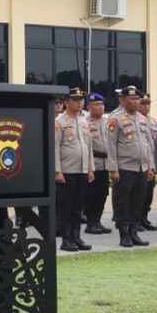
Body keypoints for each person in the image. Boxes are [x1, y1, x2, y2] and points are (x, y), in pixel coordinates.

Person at [104, 86, 157, 247]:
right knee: (123, 202)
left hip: (141, 168)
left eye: (136, 99)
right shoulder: (116, 119)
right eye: (131, 99)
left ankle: (134, 232)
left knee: (138, 201)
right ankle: (124, 234)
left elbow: (149, 144)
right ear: (122, 100)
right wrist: (113, 169)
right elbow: (110, 146)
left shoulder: (143, 119)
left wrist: (151, 166)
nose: (134, 102)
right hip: (124, 168)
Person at [54, 87, 94, 252]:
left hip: (82, 170)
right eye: (75, 100)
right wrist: (57, 171)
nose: (79, 103)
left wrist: (91, 168)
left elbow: (89, 146)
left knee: (78, 207)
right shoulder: (59, 122)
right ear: (66, 102)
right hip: (67, 172)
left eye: (81, 100)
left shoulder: (84, 121)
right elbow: (55, 148)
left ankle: (76, 237)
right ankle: (66, 238)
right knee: (66, 208)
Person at [82, 93, 112, 235]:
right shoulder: (84, 122)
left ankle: (97, 221)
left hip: (106, 163)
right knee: (91, 195)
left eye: (102, 104)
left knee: (103, 193)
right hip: (93, 163)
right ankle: (90, 222)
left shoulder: (108, 121)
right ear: (88, 107)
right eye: (96, 105)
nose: (100, 107)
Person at [137, 94, 157, 231]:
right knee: (138, 195)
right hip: (139, 164)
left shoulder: (152, 121)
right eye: (143, 103)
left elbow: (156, 145)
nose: (146, 106)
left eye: (148, 103)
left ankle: (144, 217)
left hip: (150, 162)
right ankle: (136, 220)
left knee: (148, 194)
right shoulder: (135, 120)